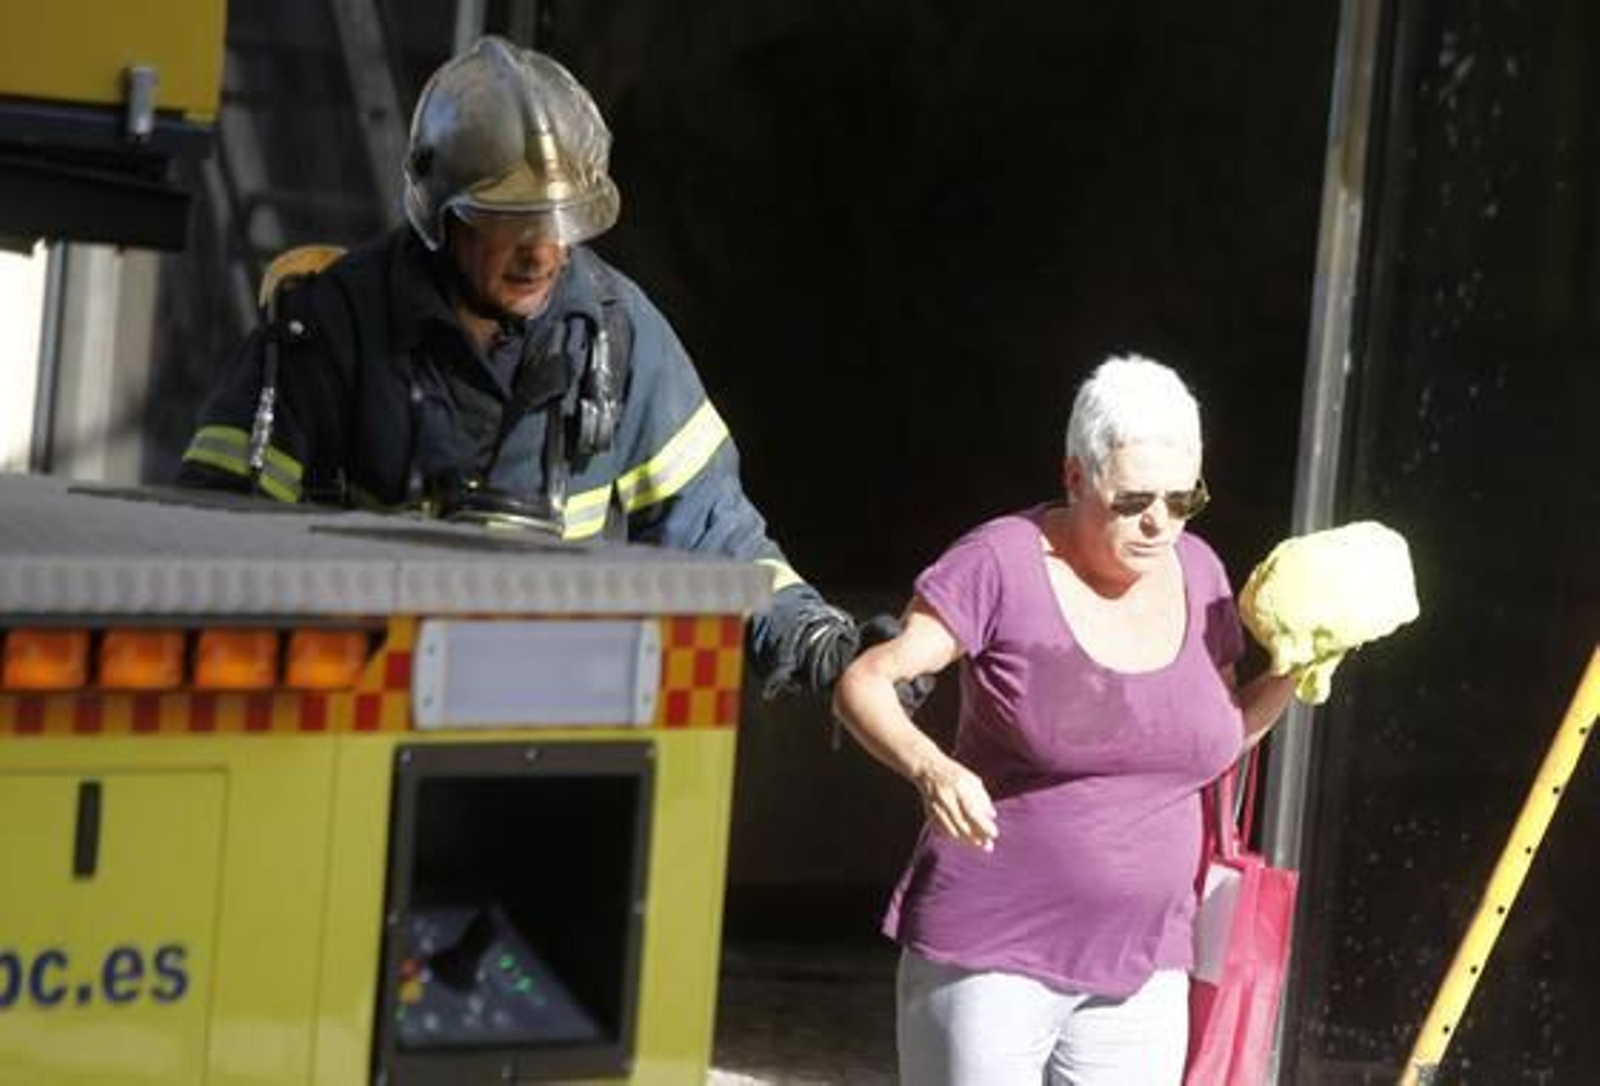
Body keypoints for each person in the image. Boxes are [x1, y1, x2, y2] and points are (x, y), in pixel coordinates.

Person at [177, 35, 883, 702]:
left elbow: (714, 536)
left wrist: (823, 644)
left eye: (561, 223)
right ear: (441, 215)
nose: (542, 252)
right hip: (357, 713)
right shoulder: (332, 328)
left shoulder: (616, 333)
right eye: (509, 221)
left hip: (540, 725)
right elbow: (214, 544)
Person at [832, 355, 1296, 1084]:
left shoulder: (1201, 571)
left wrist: (1299, 673)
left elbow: (1216, 735)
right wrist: (932, 767)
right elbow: (866, 681)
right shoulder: (999, 563)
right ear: (1075, 477)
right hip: (990, 956)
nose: (1159, 522)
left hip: (1147, 964)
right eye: (1134, 498)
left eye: (1182, 501)